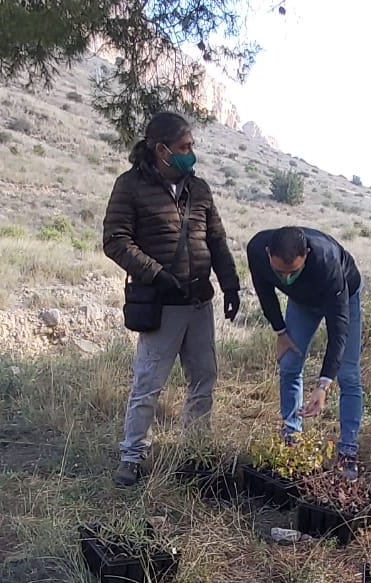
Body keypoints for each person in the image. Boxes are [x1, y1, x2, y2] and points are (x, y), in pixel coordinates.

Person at [100, 111, 241, 487]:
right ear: (161, 150)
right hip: (161, 304)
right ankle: (132, 456)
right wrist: (156, 275)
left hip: (198, 302)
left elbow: (217, 241)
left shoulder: (200, 189)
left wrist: (230, 285)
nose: (191, 153)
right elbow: (115, 240)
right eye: (185, 147)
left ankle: (194, 454)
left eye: (192, 146)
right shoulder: (130, 186)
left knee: (204, 379)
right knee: (148, 383)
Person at [247, 226, 363, 478]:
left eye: (294, 272)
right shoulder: (257, 249)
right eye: (281, 273)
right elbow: (264, 291)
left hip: (343, 296)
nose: (287, 278)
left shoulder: (327, 261)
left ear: (307, 255)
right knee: (289, 363)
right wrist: (280, 332)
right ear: (269, 254)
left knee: (348, 374)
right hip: (302, 302)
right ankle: (291, 435)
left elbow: (339, 329)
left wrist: (323, 385)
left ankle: (348, 452)